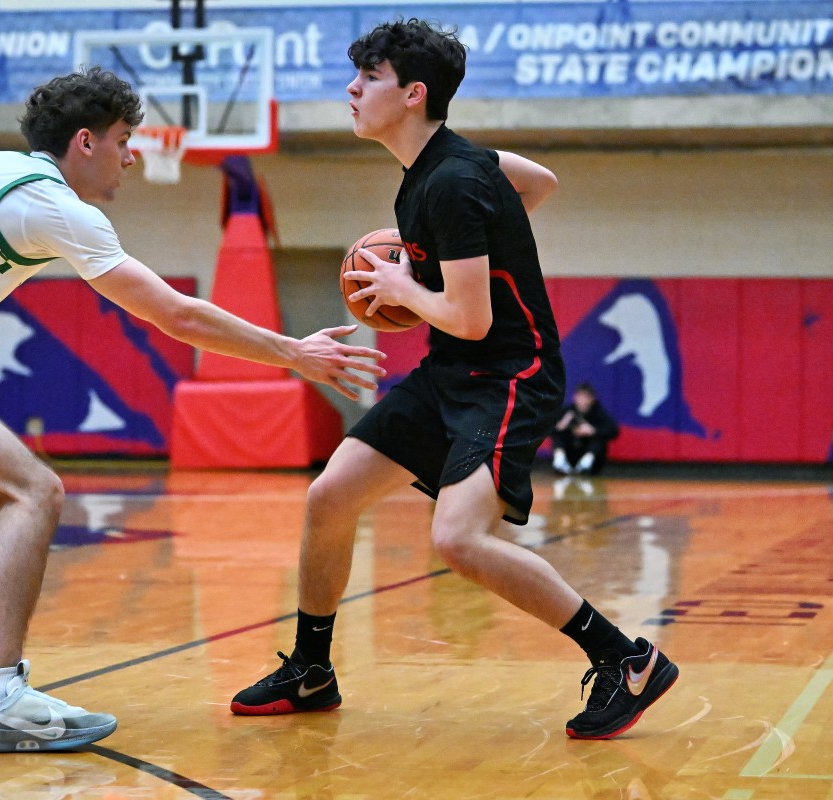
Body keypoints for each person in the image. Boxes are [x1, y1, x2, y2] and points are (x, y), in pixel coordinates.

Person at [0, 67, 386, 753]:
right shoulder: (51, 203)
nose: (132, 156)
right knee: (31, 491)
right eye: (124, 140)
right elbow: (176, 314)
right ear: (84, 141)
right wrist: (292, 353)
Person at [230, 19, 678, 740]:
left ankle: (627, 659)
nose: (352, 88)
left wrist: (412, 288)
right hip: (451, 373)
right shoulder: (447, 169)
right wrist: (458, 256)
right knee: (329, 497)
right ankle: (312, 670)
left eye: (369, 77)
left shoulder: (454, 182)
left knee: (459, 541)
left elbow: (470, 319)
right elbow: (541, 181)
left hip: (509, 374)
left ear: (412, 94)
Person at [551, 383, 619, 475]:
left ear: (592, 399)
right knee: (558, 434)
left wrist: (592, 430)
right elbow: (547, 430)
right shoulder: (568, 411)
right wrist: (561, 425)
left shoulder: (598, 413)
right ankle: (560, 462)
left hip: (590, 458)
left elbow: (613, 431)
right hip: (570, 454)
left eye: (586, 397)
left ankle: (585, 464)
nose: (582, 401)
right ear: (575, 397)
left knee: (598, 439)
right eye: (580, 396)